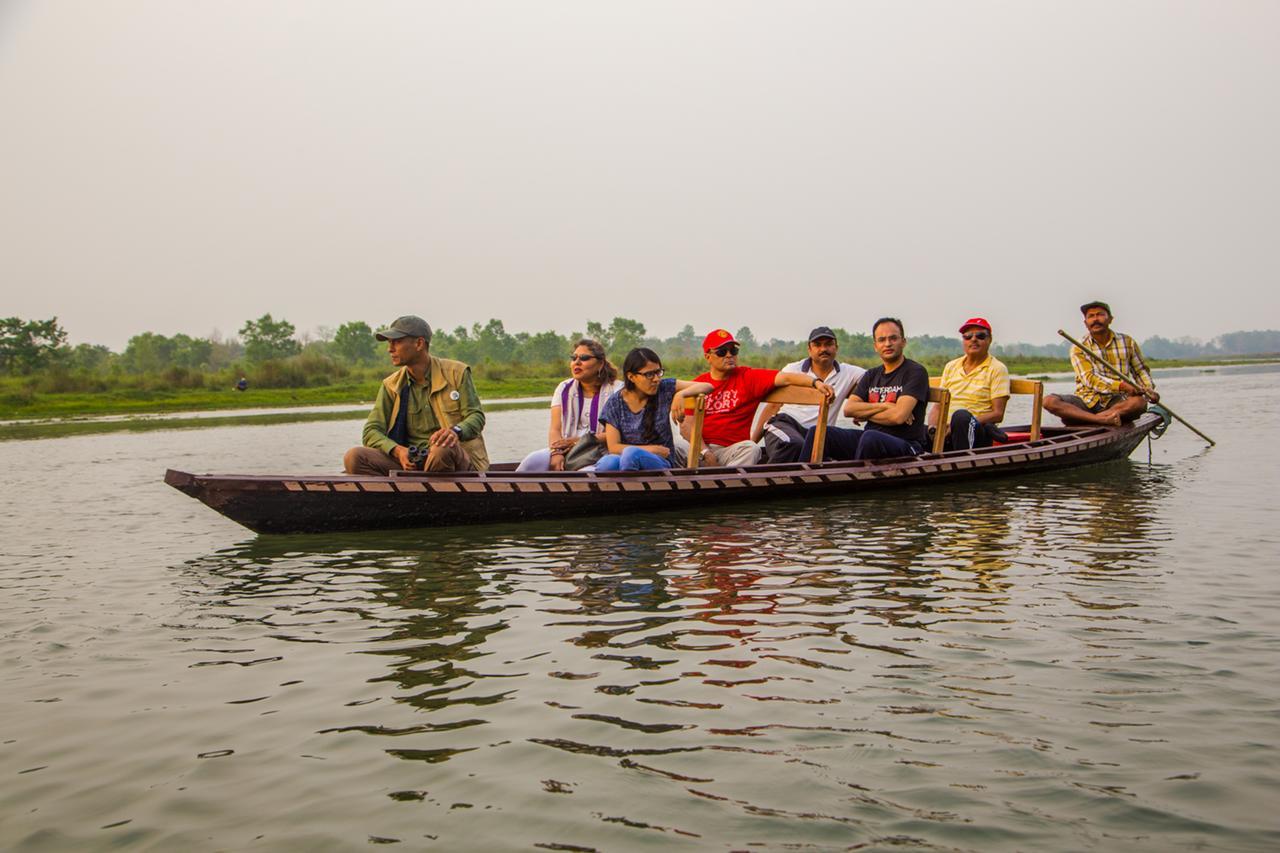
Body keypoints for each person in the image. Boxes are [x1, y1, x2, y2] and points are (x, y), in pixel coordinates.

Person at [342, 315, 489, 475]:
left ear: (419, 343)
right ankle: (404, 495)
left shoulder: (457, 373)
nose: (390, 349)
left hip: (455, 460)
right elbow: (371, 431)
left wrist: (455, 432)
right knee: (354, 457)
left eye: (396, 342)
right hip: (411, 463)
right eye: (389, 343)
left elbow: (476, 416)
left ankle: (426, 492)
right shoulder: (391, 385)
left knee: (442, 448)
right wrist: (398, 451)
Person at [683, 329, 835, 467]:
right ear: (708, 356)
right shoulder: (697, 384)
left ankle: (725, 483)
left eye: (733, 350)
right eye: (722, 351)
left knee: (752, 449)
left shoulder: (748, 377)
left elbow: (786, 378)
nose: (729, 355)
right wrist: (705, 452)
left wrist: (815, 382)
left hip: (733, 451)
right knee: (676, 448)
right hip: (701, 449)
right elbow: (686, 427)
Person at [800, 317, 931, 461]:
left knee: (870, 437)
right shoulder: (871, 375)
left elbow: (898, 416)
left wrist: (866, 413)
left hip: (907, 445)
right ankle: (804, 479)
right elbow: (849, 409)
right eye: (881, 340)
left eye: (893, 338)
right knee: (818, 432)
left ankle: (855, 480)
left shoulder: (915, 372)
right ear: (875, 346)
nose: (887, 344)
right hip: (870, 441)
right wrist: (886, 405)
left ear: (903, 342)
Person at [750, 326, 864, 463]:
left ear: (836, 348)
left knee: (816, 452)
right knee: (793, 444)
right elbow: (773, 406)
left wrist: (862, 407)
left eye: (828, 344)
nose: (823, 349)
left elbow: (875, 382)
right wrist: (752, 443)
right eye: (817, 345)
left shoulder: (849, 373)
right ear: (809, 350)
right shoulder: (793, 369)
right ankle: (767, 481)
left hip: (819, 435)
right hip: (786, 424)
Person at [1043, 301, 1159, 426]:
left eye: (1100, 315)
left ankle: (1087, 419)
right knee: (1049, 401)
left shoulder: (1127, 342)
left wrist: (1148, 390)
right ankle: (1101, 420)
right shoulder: (1078, 347)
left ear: (1110, 319)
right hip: (1086, 400)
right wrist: (1122, 386)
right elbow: (1089, 378)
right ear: (1085, 323)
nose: (1095, 319)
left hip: (1117, 401)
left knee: (1139, 403)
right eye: (1091, 316)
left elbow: (1140, 370)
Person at [596, 348, 713, 471]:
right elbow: (614, 447)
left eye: (658, 372)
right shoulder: (615, 404)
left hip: (661, 461)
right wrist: (652, 449)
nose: (656, 379)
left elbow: (707, 386)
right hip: (638, 455)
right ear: (631, 377)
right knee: (607, 463)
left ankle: (634, 490)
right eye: (649, 374)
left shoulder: (664, 388)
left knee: (631, 455)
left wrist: (680, 395)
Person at [517, 339, 624, 471]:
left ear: (601, 364)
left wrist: (578, 441)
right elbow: (555, 429)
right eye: (574, 358)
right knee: (531, 461)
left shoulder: (617, 390)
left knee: (585, 474)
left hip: (601, 451)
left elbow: (620, 432)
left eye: (584, 358)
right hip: (565, 449)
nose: (577, 362)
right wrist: (556, 453)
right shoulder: (563, 388)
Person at [930, 317, 1011, 450]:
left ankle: (961, 461)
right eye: (968, 336)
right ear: (963, 341)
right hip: (947, 431)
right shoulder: (951, 366)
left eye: (980, 336)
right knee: (911, 427)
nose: (973, 339)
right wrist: (934, 429)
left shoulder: (997, 368)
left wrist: (956, 425)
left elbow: (998, 414)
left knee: (961, 417)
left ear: (989, 340)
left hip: (976, 431)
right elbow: (937, 407)